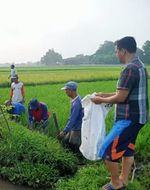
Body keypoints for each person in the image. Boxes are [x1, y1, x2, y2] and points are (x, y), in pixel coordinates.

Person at [91, 37, 148, 190]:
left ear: (123, 50)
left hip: (127, 118)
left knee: (107, 149)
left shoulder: (129, 69)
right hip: (139, 118)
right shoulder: (140, 65)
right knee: (128, 148)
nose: (116, 54)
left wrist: (100, 101)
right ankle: (124, 179)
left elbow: (121, 97)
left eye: (117, 51)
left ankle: (115, 184)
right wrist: (104, 95)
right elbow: (126, 92)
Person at [57, 81, 84, 153]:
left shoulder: (76, 103)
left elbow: (73, 119)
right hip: (74, 126)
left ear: (71, 90)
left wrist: (64, 131)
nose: (65, 91)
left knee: (74, 145)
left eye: (66, 90)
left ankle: (80, 161)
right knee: (66, 141)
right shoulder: (76, 99)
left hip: (77, 128)